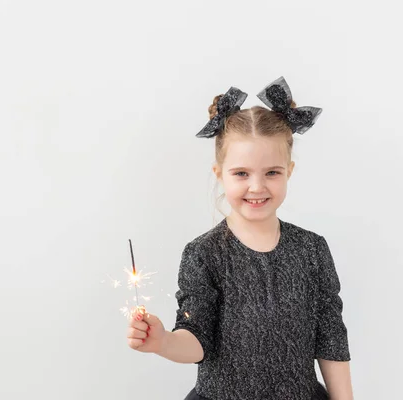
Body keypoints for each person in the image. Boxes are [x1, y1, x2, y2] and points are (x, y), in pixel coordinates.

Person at [126, 77, 353, 399]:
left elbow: (330, 338)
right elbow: (196, 340)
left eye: (272, 172)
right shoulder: (204, 253)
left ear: (289, 171)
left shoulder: (311, 249)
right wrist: (162, 342)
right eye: (242, 173)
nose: (257, 187)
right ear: (220, 173)